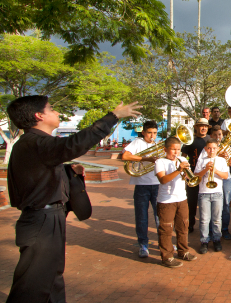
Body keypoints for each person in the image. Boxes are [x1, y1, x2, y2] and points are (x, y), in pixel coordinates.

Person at [6, 96, 140, 302]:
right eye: (51, 109)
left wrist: (68, 170)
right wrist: (113, 116)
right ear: (39, 115)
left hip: (47, 218)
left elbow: (37, 174)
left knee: (51, 279)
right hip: (42, 221)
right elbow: (75, 144)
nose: (57, 112)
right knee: (32, 286)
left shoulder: (34, 145)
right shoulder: (36, 143)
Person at [154, 137, 196, 268]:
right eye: (173, 149)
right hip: (166, 200)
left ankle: (183, 251)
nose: (176, 152)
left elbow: (189, 177)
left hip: (182, 198)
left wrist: (187, 174)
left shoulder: (183, 160)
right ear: (165, 149)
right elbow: (163, 180)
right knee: (166, 229)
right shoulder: (160, 162)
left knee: (183, 226)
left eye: (178, 149)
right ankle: (167, 256)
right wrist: (178, 170)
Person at [122, 120, 160, 258]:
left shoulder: (158, 144)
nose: (152, 136)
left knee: (159, 216)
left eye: (155, 133)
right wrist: (147, 159)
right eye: (149, 133)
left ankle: (163, 242)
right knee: (142, 217)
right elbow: (125, 156)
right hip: (142, 185)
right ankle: (143, 244)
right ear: (143, 132)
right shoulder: (137, 142)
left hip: (157, 184)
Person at [198, 125, 231, 240]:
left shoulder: (226, 147)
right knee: (210, 209)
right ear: (211, 136)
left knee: (225, 205)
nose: (218, 137)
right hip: (209, 183)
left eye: (219, 134)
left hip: (225, 179)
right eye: (215, 135)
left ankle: (223, 230)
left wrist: (230, 160)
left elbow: (229, 164)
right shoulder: (207, 150)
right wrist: (217, 155)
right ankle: (209, 232)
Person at [194, 140, 230, 254]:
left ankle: (216, 239)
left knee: (216, 219)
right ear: (205, 149)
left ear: (218, 149)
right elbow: (196, 176)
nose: (212, 150)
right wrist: (205, 168)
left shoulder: (221, 160)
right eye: (209, 148)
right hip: (204, 192)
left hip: (217, 193)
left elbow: (226, 176)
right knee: (204, 219)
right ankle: (204, 241)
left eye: (214, 148)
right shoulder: (201, 160)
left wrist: (215, 170)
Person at [181, 118, 211, 233]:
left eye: (205, 126)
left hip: (207, 174)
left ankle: (207, 226)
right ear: (196, 127)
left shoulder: (210, 139)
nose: (203, 128)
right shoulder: (190, 139)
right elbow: (183, 156)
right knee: (192, 201)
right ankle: (190, 224)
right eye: (201, 126)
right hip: (192, 174)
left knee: (206, 200)